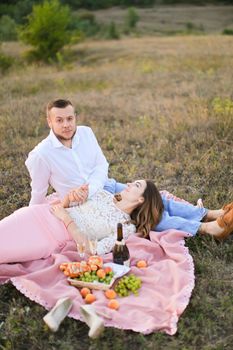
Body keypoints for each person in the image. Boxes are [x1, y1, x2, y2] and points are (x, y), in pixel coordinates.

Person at [25, 99, 232, 237]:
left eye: (70, 118)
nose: (66, 125)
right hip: (89, 205)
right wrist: (31, 221)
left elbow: (101, 164)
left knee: (154, 197)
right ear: (49, 121)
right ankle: (206, 228)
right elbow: (38, 193)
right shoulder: (41, 155)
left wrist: (95, 186)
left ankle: (209, 213)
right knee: (146, 213)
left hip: (106, 186)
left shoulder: (86, 133)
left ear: (75, 117)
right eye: (59, 120)